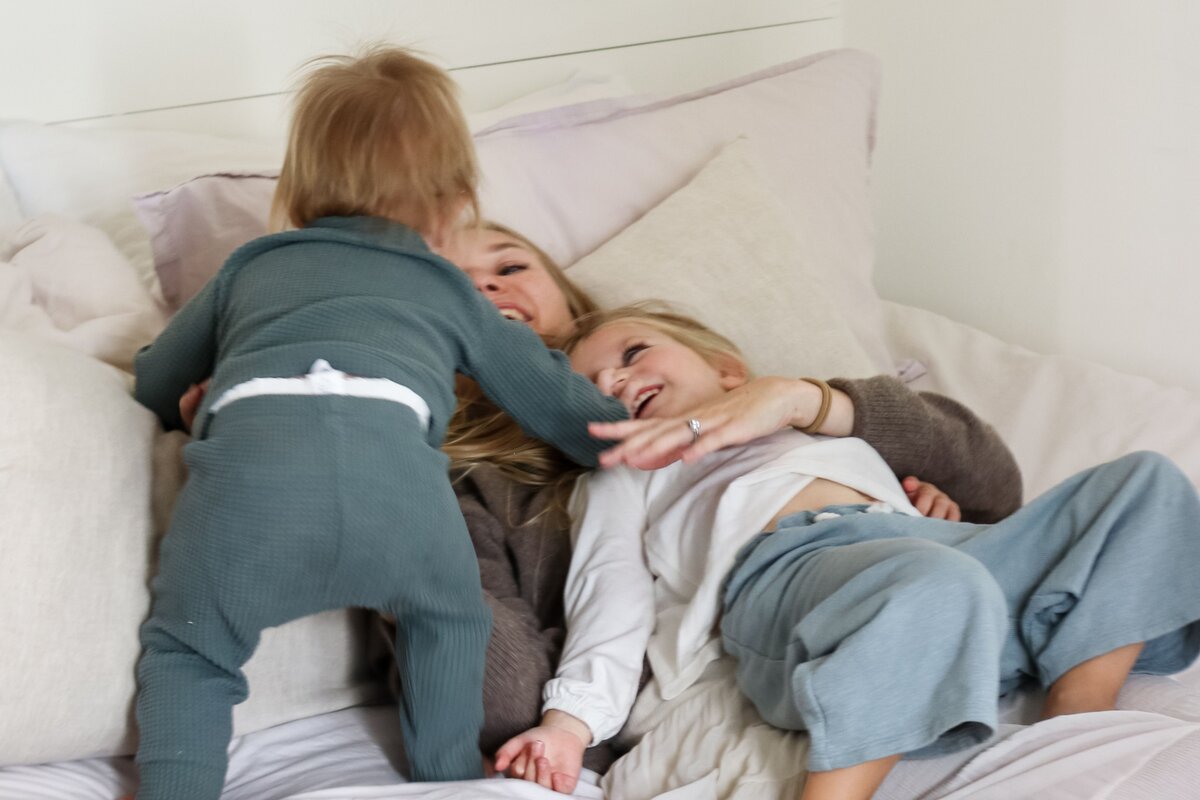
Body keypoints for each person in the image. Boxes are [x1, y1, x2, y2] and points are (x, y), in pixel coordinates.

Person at [177, 221, 1025, 774]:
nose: (489, 293)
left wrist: (845, 451)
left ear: (574, 306)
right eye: (447, 294)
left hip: (876, 605)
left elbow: (996, 484)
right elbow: (500, 701)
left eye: (509, 266)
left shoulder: (698, 388)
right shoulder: (463, 479)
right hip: (705, 692)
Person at [126, 48, 627, 800]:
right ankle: (447, 777)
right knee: (449, 626)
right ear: (456, 198)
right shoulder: (446, 287)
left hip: (250, 504)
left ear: (298, 189)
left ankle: (175, 789)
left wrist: (191, 401)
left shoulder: (250, 268)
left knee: (189, 655)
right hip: (399, 504)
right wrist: (633, 432)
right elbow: (556, 403)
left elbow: (156, 381)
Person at [494, 304, 1200, 799]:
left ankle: (1075, 722)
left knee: (1144, 484)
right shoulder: (630, 474)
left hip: (923, 552)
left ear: (728, 370)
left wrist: (916, 508)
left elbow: (976, 476)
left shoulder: (818, 426)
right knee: (935, 582)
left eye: (633, 352)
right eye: (590, 389)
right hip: (785, 580)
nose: (615, 379)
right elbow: (608, 597)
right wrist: (567, 725)